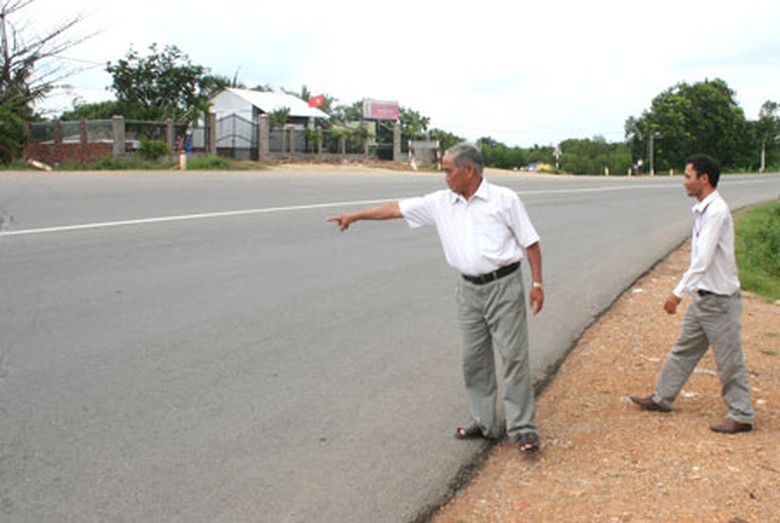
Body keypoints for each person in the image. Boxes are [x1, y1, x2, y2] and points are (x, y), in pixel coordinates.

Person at [326, 142, 545, 453]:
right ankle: (485, 423)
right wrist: (356, 215)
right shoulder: (441, 202)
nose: (444, 176)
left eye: (448, 170)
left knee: (514, 358)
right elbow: (395, 209)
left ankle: (522, 428)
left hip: (504, 287)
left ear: (469, 170)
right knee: (474, 361)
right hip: (468, 291)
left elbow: (531, 243)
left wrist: (538, 283)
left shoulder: (504, 200)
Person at [630, 154, 755, 434]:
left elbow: (702, 261)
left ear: (704, 179)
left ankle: (742, 413)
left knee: (729, 360)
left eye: (688, 175)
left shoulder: (716, 211)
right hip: (704, 298)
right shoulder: (703, 210)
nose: (684, 181)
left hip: (720, 301)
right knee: (683, 350)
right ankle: (662, 397)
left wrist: (677, 294)